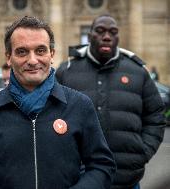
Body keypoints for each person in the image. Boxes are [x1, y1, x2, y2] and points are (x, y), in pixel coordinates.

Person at [0, 16, 116, 189]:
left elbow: (101, 166)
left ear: (52, 54)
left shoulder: (79, 105)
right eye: (22, 52)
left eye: (40, 50)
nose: (32, 60)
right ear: (9, 57)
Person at [56, 14, 165, 189]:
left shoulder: (138, 72)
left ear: (118, 37)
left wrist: (141, 153)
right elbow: (51, 118)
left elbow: (156, 117)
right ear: (90, 35)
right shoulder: (66, 71)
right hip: (80, 181)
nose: (106, 36)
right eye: (100, 31)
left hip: (127, 180)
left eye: (112, 32)